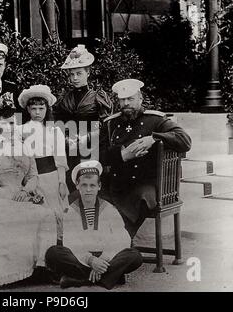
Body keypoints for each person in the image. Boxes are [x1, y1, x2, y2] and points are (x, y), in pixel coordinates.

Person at [0, 95, 55, 289]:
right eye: (7, 124)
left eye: (15, 124)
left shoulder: (25, 149)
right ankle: (7, 273)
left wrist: (25, 191)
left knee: (46, 213)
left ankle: (40, 268)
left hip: (23, 196)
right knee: (15, 214)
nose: (12, 128)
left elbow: (33, 176)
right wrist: (13, 196)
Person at [100, 79, 192, 239]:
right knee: (90, 197)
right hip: (116, 182)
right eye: (122, 100)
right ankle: (107, 243)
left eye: (130, 99)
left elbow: (184, 140)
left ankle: (120, 240)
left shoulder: (155, 120)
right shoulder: (110, 124)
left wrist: (154, 138)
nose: (126, 103)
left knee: (142, 197)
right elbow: (97, 154)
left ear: (140, 99)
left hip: (146, 183)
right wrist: (122, 155)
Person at [45, 160, 143, 290]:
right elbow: (70, 241)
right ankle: (109, 277)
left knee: (135, 256)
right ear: (77, 186)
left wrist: (103, 260)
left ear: (99, 186)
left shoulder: (109, 209)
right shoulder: (70, 211)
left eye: (92, 185)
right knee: (53, 253)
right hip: (81, 258)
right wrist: (91, 260)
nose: (88, 190)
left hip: (106, 258)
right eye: (84, 185)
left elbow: (122, 238)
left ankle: (79, 280)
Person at [53, 44, 112, 192]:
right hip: (68, 149)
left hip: (92, 149)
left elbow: (107, 126)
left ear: (88, 73)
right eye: (71, 74)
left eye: (79, 73)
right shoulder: (64, 98)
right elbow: (57, 124)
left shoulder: (98, 97)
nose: (74, 78)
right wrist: (66, 139)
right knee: (70, 185)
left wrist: (87, 138)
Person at [18, 84, 69, 246]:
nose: (38, 112)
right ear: (28, 109)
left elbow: (60, 159)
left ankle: (58, 252)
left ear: (47, 108)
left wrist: (62, 182)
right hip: (32, 179)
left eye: (41, 108)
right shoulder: (21, 130)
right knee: (37, 215)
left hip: (52, 177)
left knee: (57, 214)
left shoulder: (54, 130)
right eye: (34, 108)